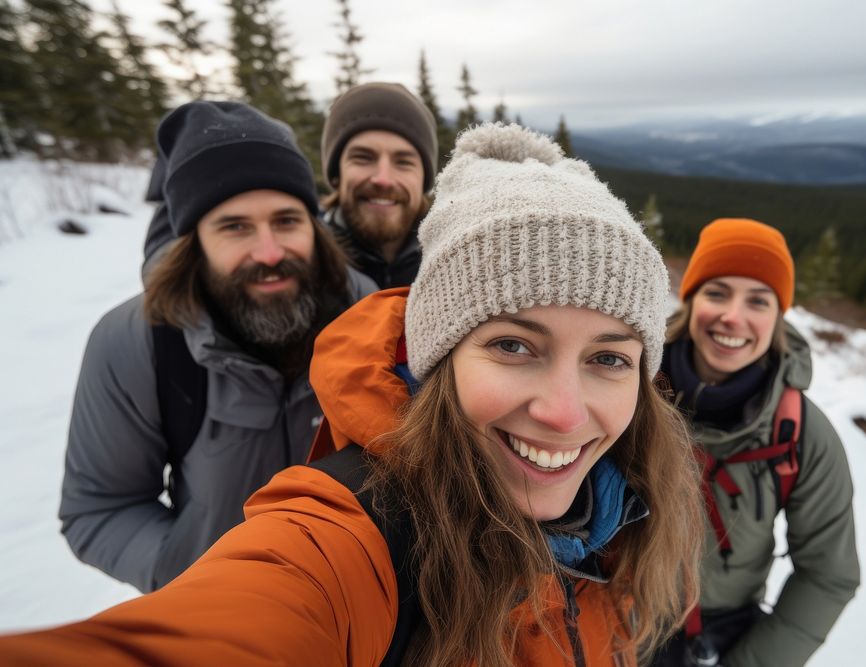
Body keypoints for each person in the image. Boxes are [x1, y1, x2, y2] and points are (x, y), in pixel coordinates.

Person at [3, 123, 705, 666]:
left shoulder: (631, 505)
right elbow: (257, 608)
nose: (563, 409)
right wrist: (192, 562)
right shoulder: (364, 537)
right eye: (513, 345)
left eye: (609, 357)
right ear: (433, 362)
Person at [58, 101, 377, 593]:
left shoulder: (370, 319)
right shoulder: (136, 342)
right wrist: (195, 578)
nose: (270, 252)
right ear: (194, 241)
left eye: (287, 221)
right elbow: (100, 508)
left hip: (364, 611)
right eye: (235, 227)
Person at [653, 218, 860, 667]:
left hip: (718, 635)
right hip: (596, 616)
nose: (733, 317)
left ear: (778, 316)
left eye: (758, 301)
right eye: (717, 292)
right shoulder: (629, 388)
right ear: (690, 300)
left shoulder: (803, 435)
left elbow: (829, 574)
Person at [319, 81, 438, 288]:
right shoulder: (305, 269)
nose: (383, 179)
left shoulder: (456, 266)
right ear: (337, 173)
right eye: (363, 158)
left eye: (403, 162)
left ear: (423, 180)